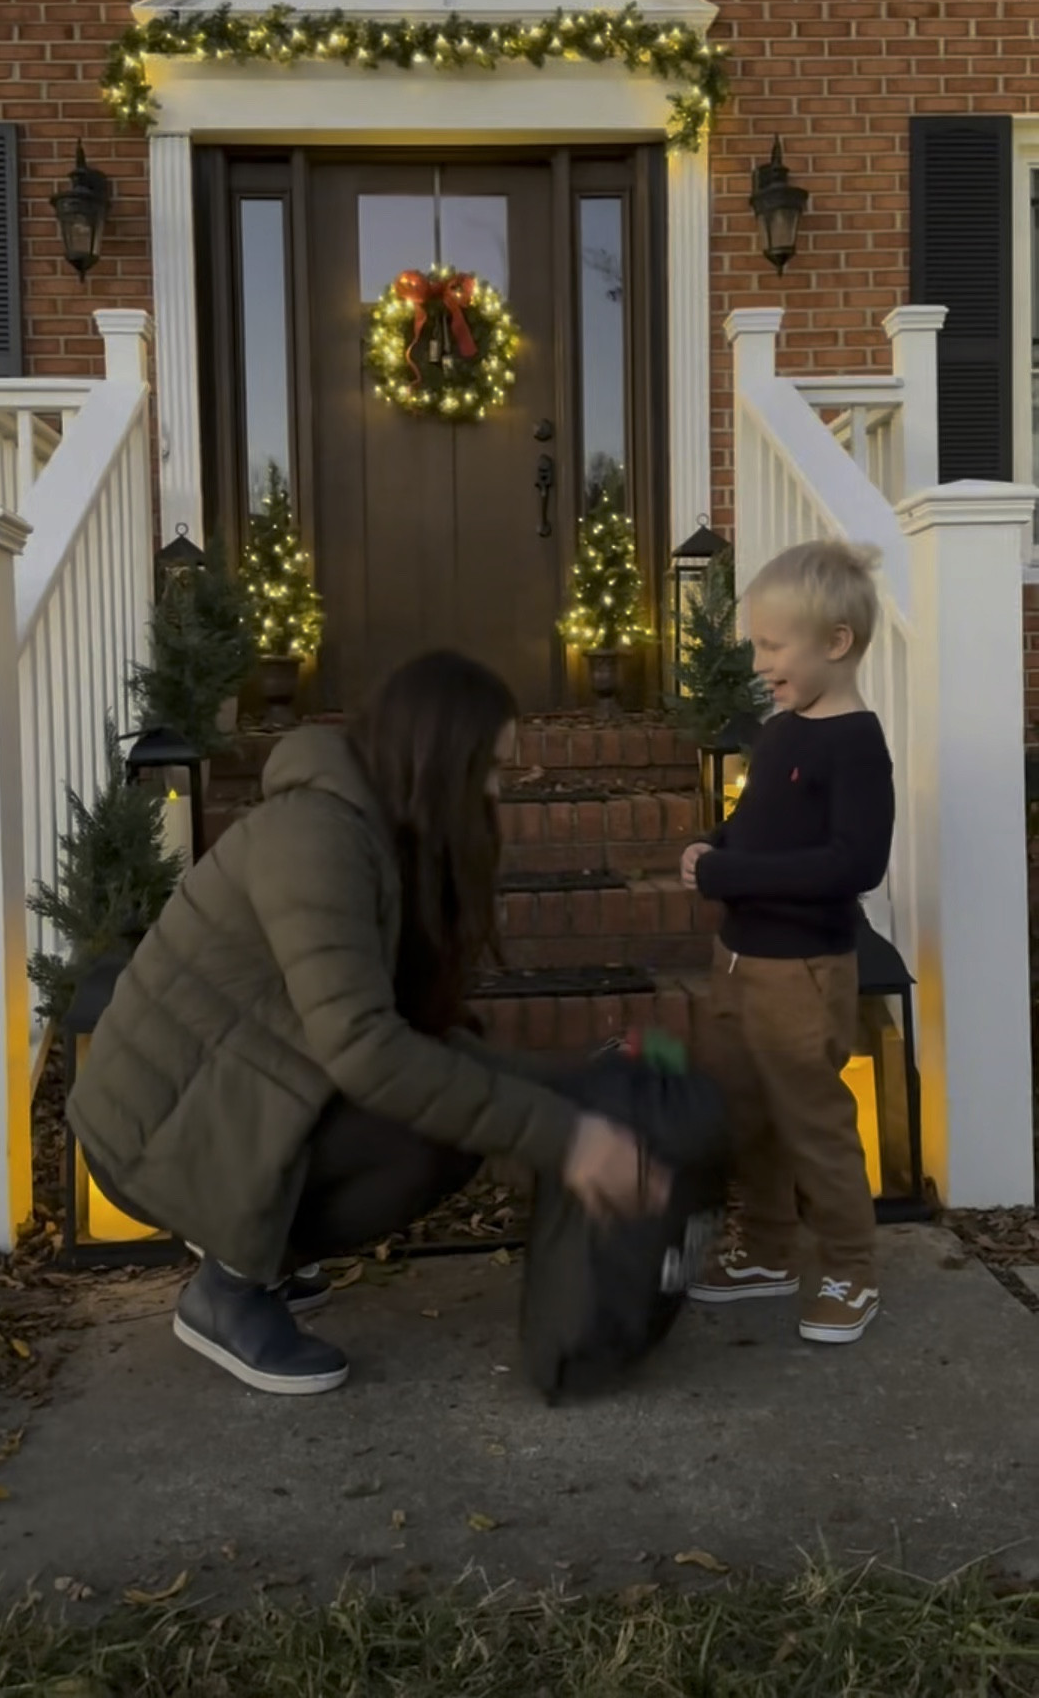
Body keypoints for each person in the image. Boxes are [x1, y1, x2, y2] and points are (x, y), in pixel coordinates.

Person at [67, 651, 669, 1397]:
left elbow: (425, 1041)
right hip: (154, 1128)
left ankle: (263, 1252)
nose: (496, 791)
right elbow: (368, 1053)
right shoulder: (314, 838)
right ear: (439, 756)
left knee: (454, 1090)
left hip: (240, 1090)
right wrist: (569, 1138)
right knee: (432, 1135)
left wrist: (579, 1084)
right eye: (489, 768)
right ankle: (227, 1288)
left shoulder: (378, 832)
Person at [682, 541, 894, 1346]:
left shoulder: (855, 745)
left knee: (812, 1122)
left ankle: (851, 1267)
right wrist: (715, 845)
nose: (760, 661)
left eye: (774, 647)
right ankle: (768, 1251)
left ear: (835, 643)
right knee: (748, 1114)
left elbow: (853, 863)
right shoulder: (781, 734)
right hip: (736, 963)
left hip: (802, 973)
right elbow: (755, 823)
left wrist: (737, 876)